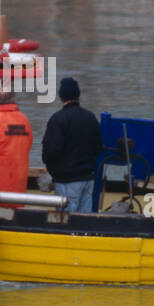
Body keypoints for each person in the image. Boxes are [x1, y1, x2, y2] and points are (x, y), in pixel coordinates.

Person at [42, 77, 103, 213]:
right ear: (78, 95)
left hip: (66, 181)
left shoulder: (58, 119)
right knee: (84, 222)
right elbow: (98, 148)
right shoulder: (90, 117)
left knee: (67, 222)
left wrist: (53, 172)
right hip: (87, 180)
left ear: (61, 96)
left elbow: (50, 151)